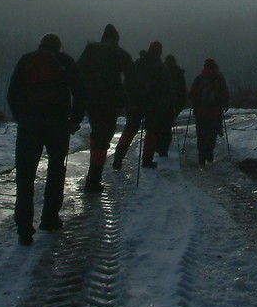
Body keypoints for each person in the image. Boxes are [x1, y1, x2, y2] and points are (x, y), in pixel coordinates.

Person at [6, 33, 85, 245]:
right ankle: (49, 219)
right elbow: (79, 92)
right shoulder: (64, 61)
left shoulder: (26, 60)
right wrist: (74, 121)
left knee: (25, 177)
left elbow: (12, 93)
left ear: (39, 45)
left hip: (29, 125)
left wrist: (21, 118)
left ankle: (24, 228)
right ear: (58, 47)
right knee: (56, 170)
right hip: (58, 125)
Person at [77, 23, 136, 192]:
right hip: (111, 102)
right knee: (103, 138)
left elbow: (78, 71)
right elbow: (132, 77)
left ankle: (93, 176)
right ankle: (93, 178)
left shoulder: (90, 50)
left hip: (92, 100)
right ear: (116, 39)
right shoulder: (119, 53)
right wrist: (131, 97)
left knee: (98, 135)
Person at [113, 40, 174, 170]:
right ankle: (147, 160)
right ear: (160, 52)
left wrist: (128, 99)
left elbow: (127, 82)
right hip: (154, 105)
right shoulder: (161, 68)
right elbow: (167, 89)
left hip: (135, 103)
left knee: (130, 130)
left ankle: (118, 157)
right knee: (151, 132)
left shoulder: (138, 63)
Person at [188, 58, 229, 166]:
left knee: (201, 134)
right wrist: (225, 103)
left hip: (201, 112)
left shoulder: (199, 79)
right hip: (215, 112)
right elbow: (224, 93)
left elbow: (192, 94)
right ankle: (209, 151)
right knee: (212, 133)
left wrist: (194, 103)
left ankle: (201, 155)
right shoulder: (219, 79)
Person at [158, 54, 187, 157]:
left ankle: (159, 146)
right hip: (172, 104)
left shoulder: (161, 71)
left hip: (161, 104)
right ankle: (164, 149)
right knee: (167, 126)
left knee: (160, 126)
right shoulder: (178, 73)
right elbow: (182, 90)